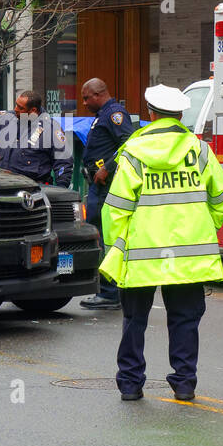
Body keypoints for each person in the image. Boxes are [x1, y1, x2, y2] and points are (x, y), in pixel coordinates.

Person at [99, 84, 223, 402]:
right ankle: (185, 383)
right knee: (185, 319)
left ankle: (131, 384)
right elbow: (222, 200)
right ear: (181, 114)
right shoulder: (200, 151)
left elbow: (115, 208)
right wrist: (201, 228)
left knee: (134, 319)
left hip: (140, 254)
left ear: (150, 113)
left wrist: (116, 247)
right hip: (189, 256)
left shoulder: (132, 153)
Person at [79, 78, 137, 310]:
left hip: (107, 185)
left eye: (86, 98)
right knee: (100, 234)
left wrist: (107, 168)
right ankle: (109, 290)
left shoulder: (115, 114)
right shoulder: (103, 114)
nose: (83, 103)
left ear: (99, 94)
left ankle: (110, 292)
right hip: (98, 184)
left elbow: (129, 143)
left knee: (105, 237)